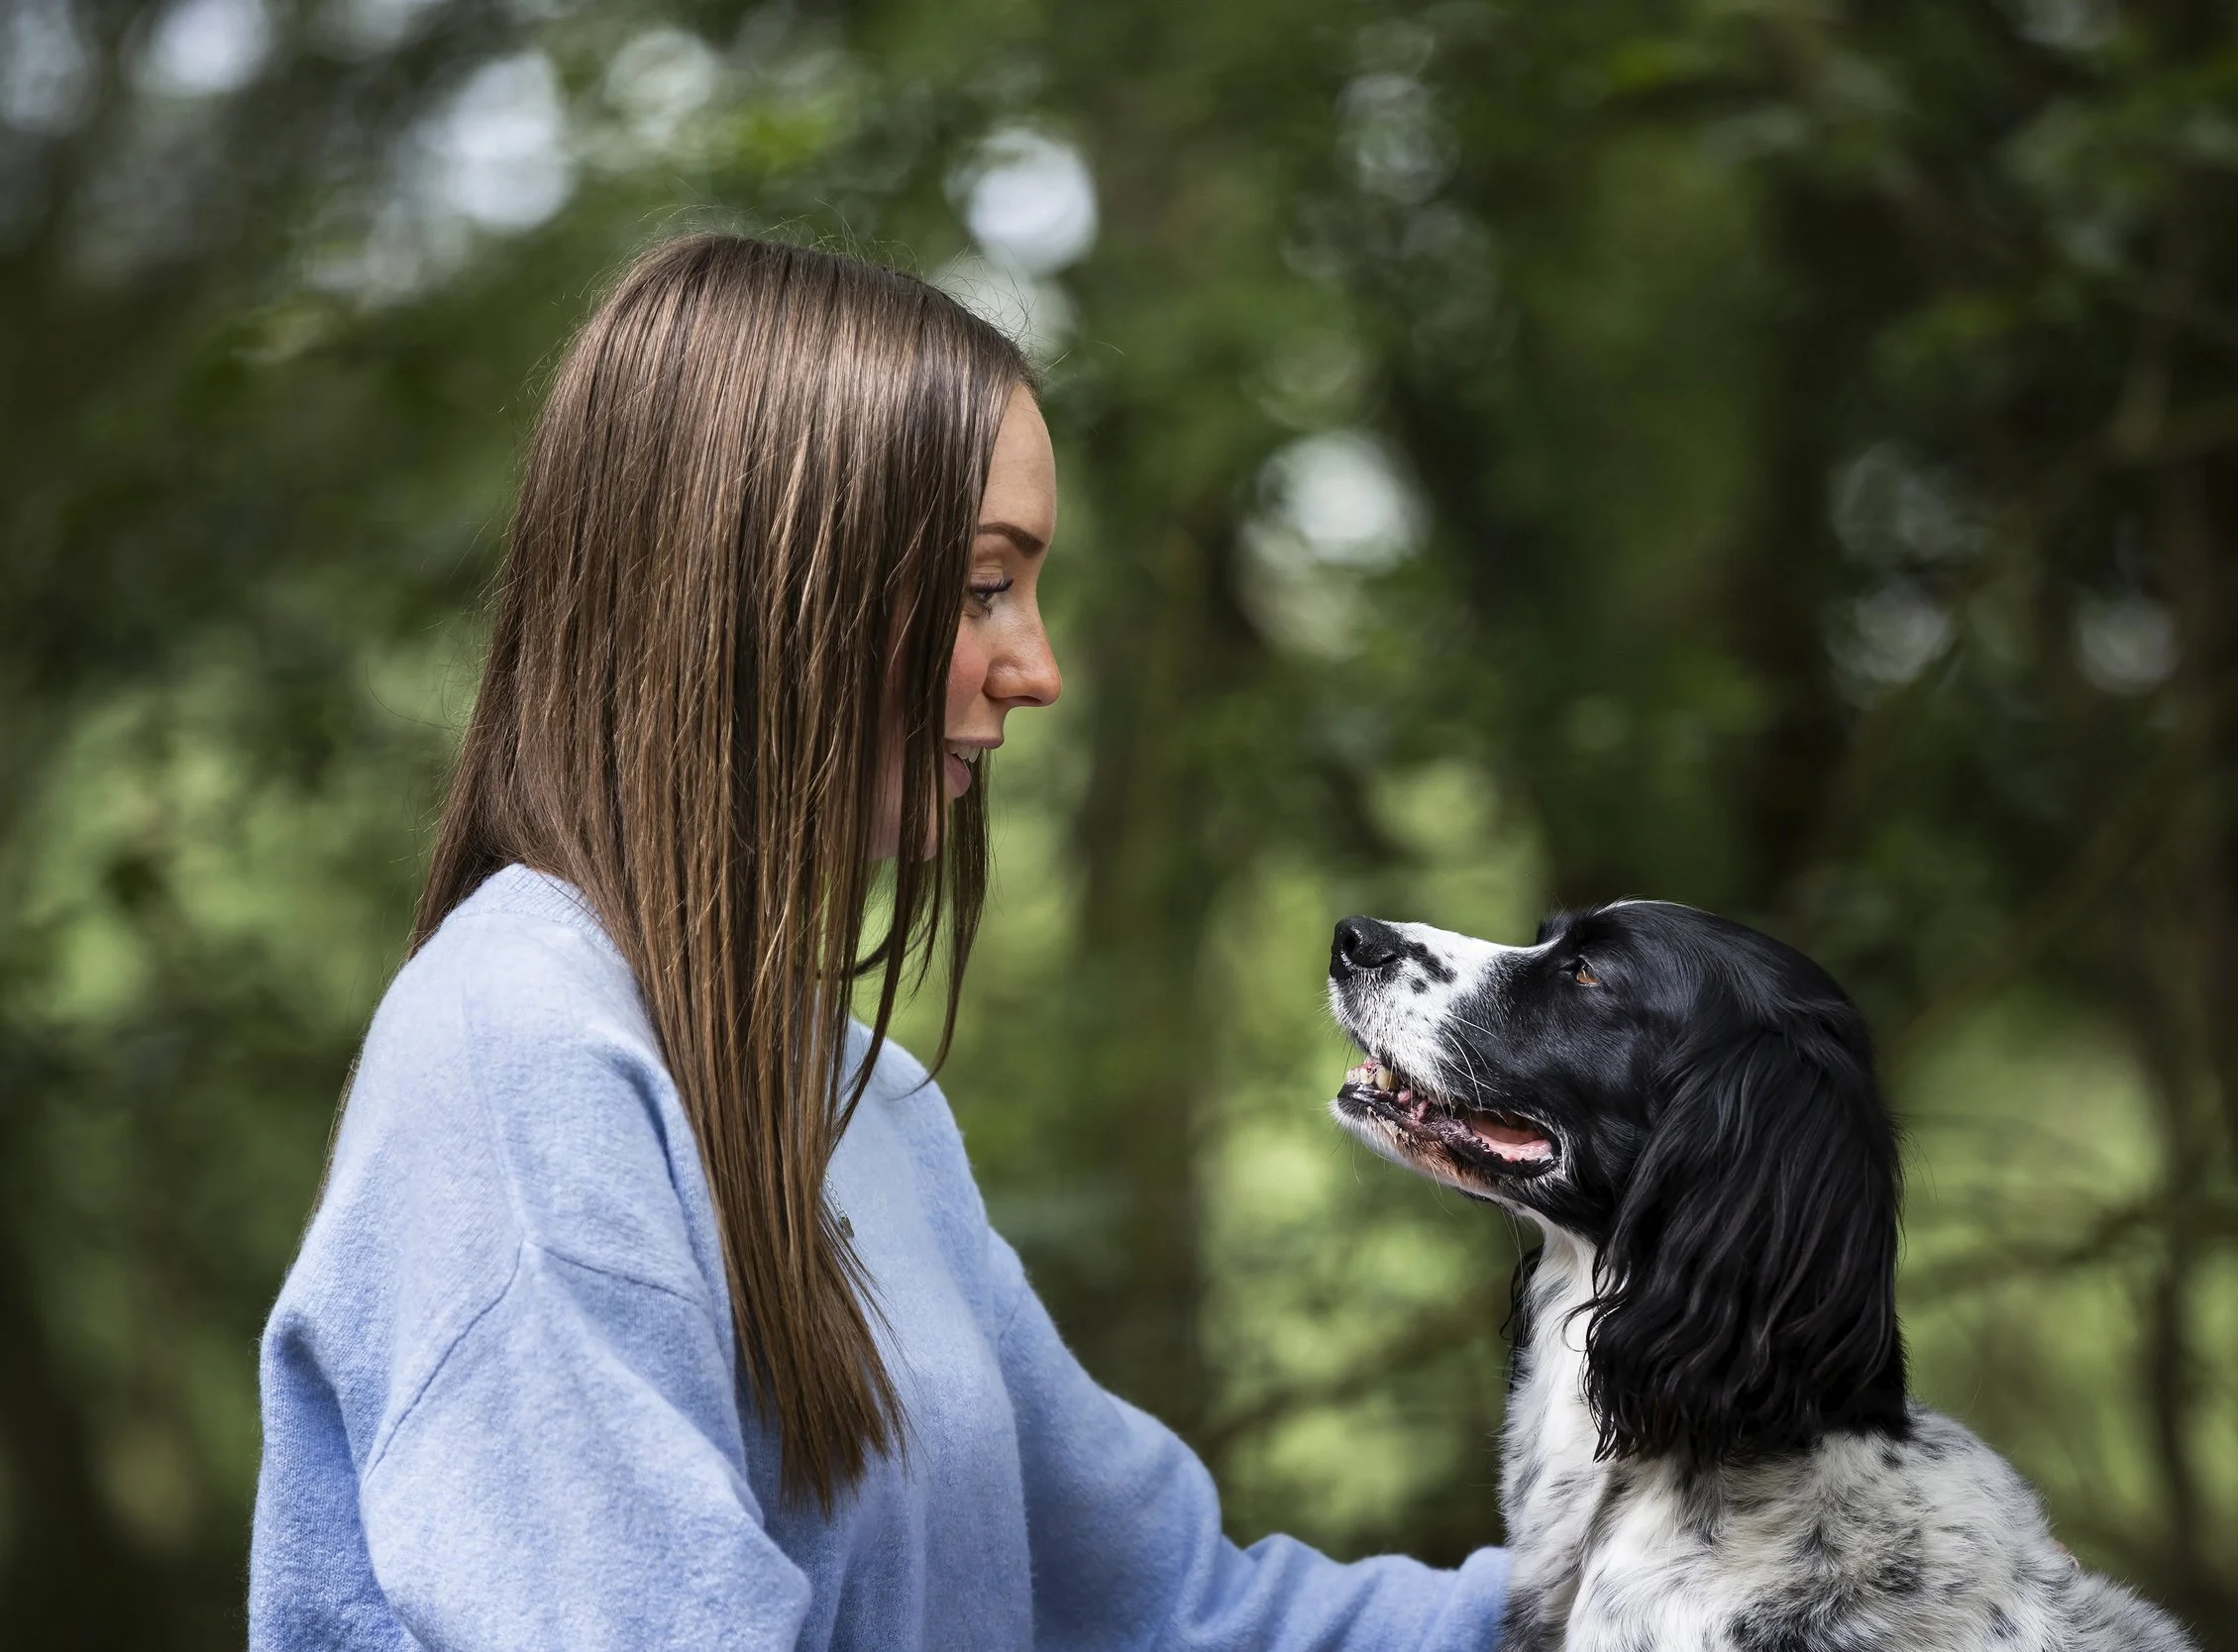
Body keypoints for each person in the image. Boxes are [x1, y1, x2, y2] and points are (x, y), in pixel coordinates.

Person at [248, 233, 1508, 1650]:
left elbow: (1174, 1611)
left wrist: (1655, 1606)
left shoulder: (874, 1107)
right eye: (983, 589)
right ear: (766, 593)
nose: (1037, 668)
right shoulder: (518, 1057)